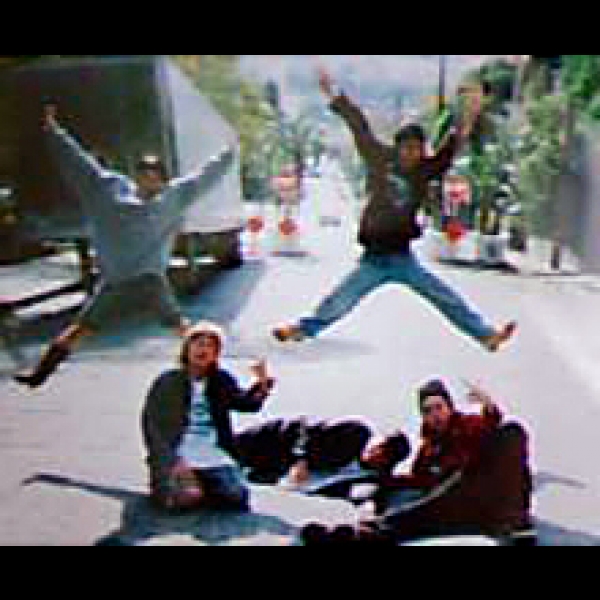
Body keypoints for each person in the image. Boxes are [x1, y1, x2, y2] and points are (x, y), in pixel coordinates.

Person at [274, 69, 516, 353]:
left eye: (418, 149)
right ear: (397, 148)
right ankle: (302, 329)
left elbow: (454, 144)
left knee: (444, 297)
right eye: (407, 149)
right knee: (341, 299)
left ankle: (486, 336)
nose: (412, 155)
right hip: (374, 259)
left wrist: (471, 111)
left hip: (403, 258)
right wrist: (333, 92)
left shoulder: (425, 170)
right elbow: (357, 124)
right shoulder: (380, 158)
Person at [14, 105, 235, 389]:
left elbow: (205, 176)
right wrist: (54, 132)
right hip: (115, 281)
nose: (149, 180)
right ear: (136, 176)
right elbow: (79, 166)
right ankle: (40, 374)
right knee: (80, 329)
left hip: (150, 280)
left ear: (163, 180)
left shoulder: (172, 199)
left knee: (182, 327)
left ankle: (210, 373)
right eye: (144, 174)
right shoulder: (109, 193)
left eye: (155, 175)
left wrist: (228, 153)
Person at [301, 379, 534, 545]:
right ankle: (353, 537)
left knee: (511, 431)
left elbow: (491, 430)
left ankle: (515, 522)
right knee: (414, 515)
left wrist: (489, 407)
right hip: (456, 506)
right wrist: (383, 481)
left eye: (439, 407)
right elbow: (420, 481)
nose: (435, 414)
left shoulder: (468, 426)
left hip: (484, 491)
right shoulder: (428, 450)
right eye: (428, 410)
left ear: (450, 408)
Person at [141, 321, 276, 512]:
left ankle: (202, 482)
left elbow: (246, 404)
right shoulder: (168, 380)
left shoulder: (221, 379)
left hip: (211, 449)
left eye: (210, 346)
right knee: (186, 499)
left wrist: (262, 383)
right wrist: (170, 459)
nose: (203, 350)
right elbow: (151, 425)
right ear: (187, 349)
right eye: (198, 344)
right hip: (178, 451)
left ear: (216, 353)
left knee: (237, 496)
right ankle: (177, 484)